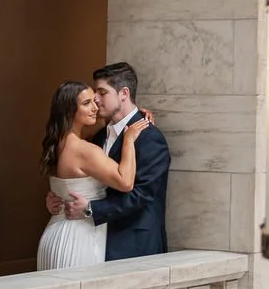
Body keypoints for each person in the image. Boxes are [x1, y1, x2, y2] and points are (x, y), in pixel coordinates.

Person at [58, 62, 171, 260]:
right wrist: (58, 197)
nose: (96, 100)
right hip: (97, 240)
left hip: (135, 244)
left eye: (102, 93)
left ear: (124, 93)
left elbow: (142, 194)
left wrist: (91, 209)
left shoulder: (150, 138)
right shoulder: (100, 135)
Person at [37, 81, 149, 270]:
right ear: (70, 110)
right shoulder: (84, 150)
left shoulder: (56, 144)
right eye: (87, 103)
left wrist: (139, 113)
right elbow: (125, 182)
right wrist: (128, 140)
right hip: (77, 238)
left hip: (54, 234)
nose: (95, 107)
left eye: (95, 101)